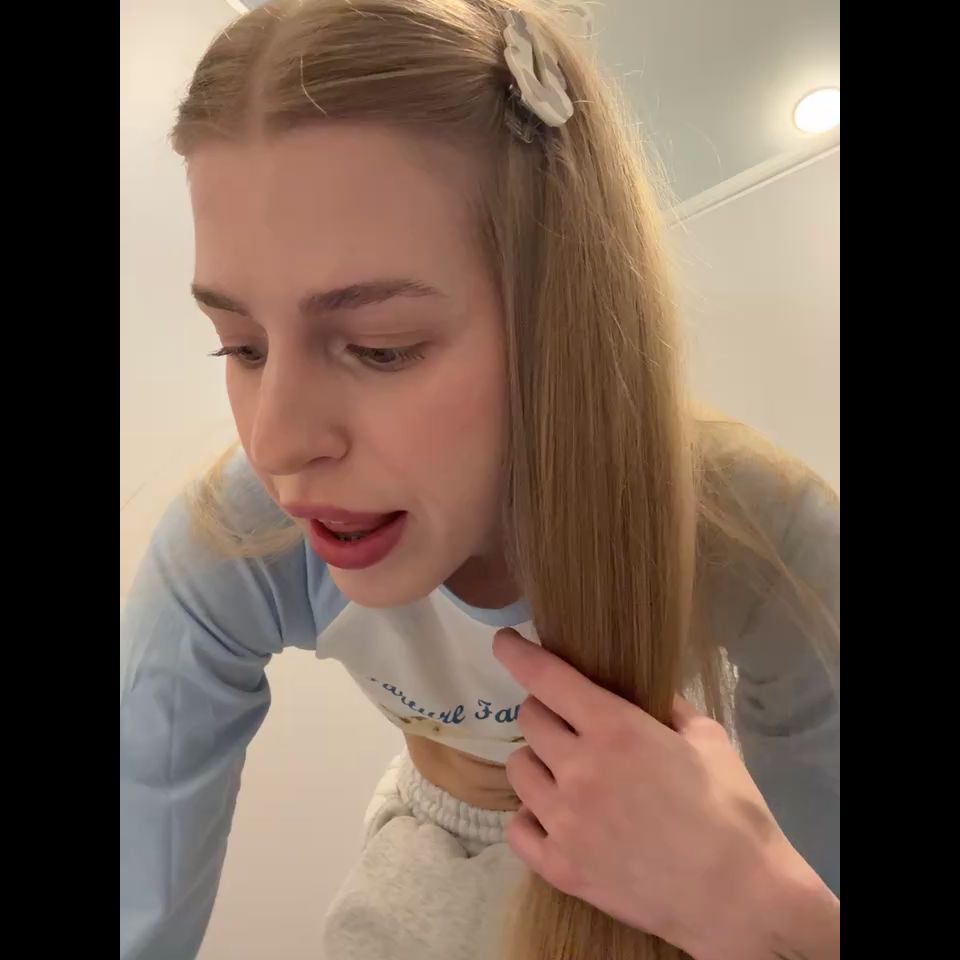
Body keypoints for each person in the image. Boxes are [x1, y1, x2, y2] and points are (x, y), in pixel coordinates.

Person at [119, 2, 840, 959]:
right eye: (240, 345)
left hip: (683, 831)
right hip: (435, 838)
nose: (277, 442)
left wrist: (769, 915)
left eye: (382, 347)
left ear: (560, 324)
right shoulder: (239, 540)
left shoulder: (757, 526)